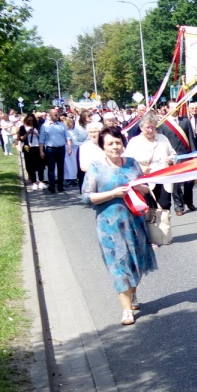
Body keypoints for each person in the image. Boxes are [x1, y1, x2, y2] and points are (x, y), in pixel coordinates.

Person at [81, 126, 157, 326]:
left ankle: (132, 294)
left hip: (135, 222)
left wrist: (138, 187)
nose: (115, 147)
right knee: (119, 266)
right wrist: (112, 194)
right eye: (110, 144)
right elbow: (87, 197)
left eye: (118, 142)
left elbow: (146, 188)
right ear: (102, 146)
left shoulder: (132, 164)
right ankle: (126, 310)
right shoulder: (96, 167)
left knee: (136, 264)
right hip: (110, 227)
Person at [123, 114, 176, 246]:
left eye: (153, 127)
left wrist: (171, 159)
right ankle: (151, 237)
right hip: (145, 179)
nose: (150, 130)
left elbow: (174, 153)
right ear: (141, 128)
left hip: (163, 178)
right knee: (149, 208)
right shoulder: (134, 142)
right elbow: (127, 160)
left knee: (165, 205)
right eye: (147, 127)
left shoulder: (162, 139)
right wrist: (140, 167)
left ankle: (164, 235)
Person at [158, 101, 195, 216]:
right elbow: (161, 142)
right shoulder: (163, 124)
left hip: (186, 155)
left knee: (189, 181)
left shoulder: (185, 121)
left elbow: (191, 138)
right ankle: (179, 206)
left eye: (177, 107)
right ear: (167, 109)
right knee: (176, 184)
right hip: (173, 157)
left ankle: (189, 201)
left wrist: (193, 155)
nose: (175, 109)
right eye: (172, 107)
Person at [39, 108, 71, 193]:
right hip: (50, 149)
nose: (57, 116)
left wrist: (69, 148)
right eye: (55, 115)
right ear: (50, 115)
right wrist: (41, 151)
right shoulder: (45, 126)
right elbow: (41, 140)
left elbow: (67, 137)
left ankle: (60, 186)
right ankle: (52, 186)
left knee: (61, 168)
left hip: (61, 148)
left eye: (58, 115)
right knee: (51, 168)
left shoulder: (62, 125)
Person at [17, 114, 45, 190]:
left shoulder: (38, 127)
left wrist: (36, 133)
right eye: (29, 120)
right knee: (30, 165)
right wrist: (27, 133)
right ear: (26, 120)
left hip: (37, 147)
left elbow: (42, 138)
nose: (31, 122)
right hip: (28, 148)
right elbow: (21, 138)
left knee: (40, 165)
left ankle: (41, 181)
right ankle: (34, 182)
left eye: (32, 120)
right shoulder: (23, 127)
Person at [78, 122, 106, 191]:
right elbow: (83, 167)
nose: (92, 134)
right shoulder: (84, 147)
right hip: (91, 180)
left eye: (95, 132)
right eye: (90, 132)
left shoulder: (107, 145)